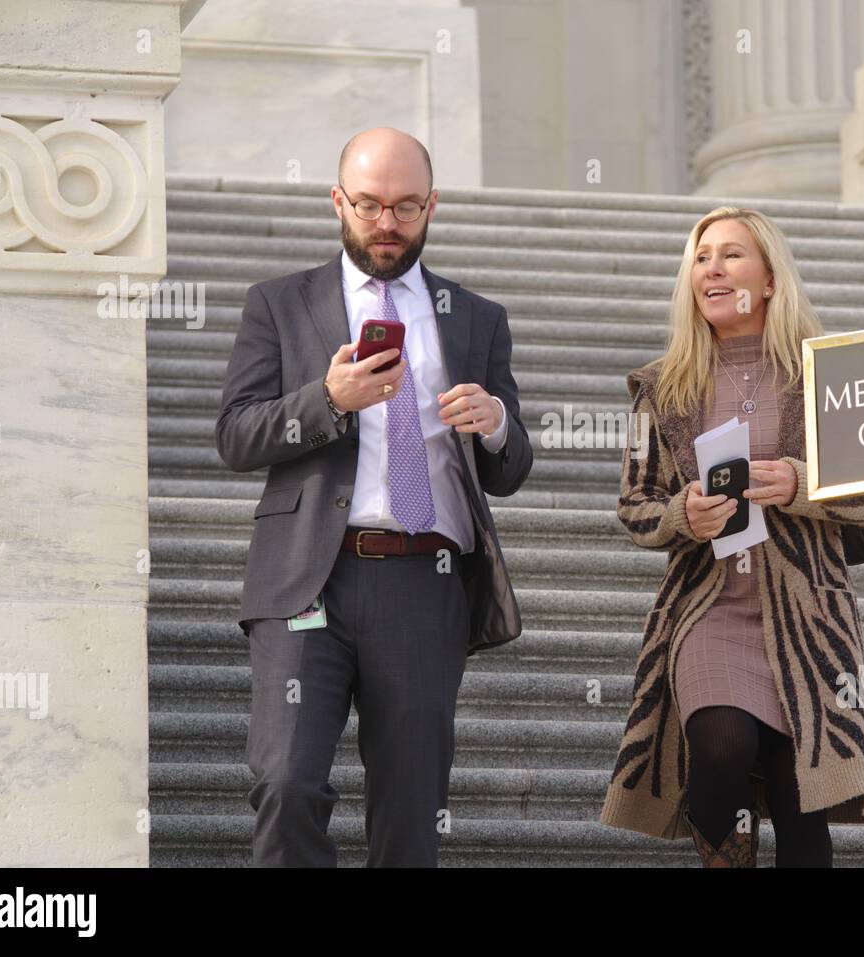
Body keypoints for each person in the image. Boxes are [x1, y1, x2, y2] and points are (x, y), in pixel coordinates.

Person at [215, 127, 533, 867]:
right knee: (287, 781)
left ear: (432, 205)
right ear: (337, 200)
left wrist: (494, 426)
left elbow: (510, 467)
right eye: (368, 205)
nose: (386, 223)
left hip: (426, 581)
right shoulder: (280, 305)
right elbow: (235, 435)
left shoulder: (477, 318)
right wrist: (326, 397)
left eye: (405, 206)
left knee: (410, 815)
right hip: (307, 582)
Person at [599, 206, 864, 867]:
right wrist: (681, 515)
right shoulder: (659, 387)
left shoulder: (825, 377)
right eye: (701, 258)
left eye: (731, 255)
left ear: (770, 276)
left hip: (807, 617)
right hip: (710, 607)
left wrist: (800, 482)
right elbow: (635, 503)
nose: (713, 269)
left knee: (802, 815)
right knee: (721, 751)